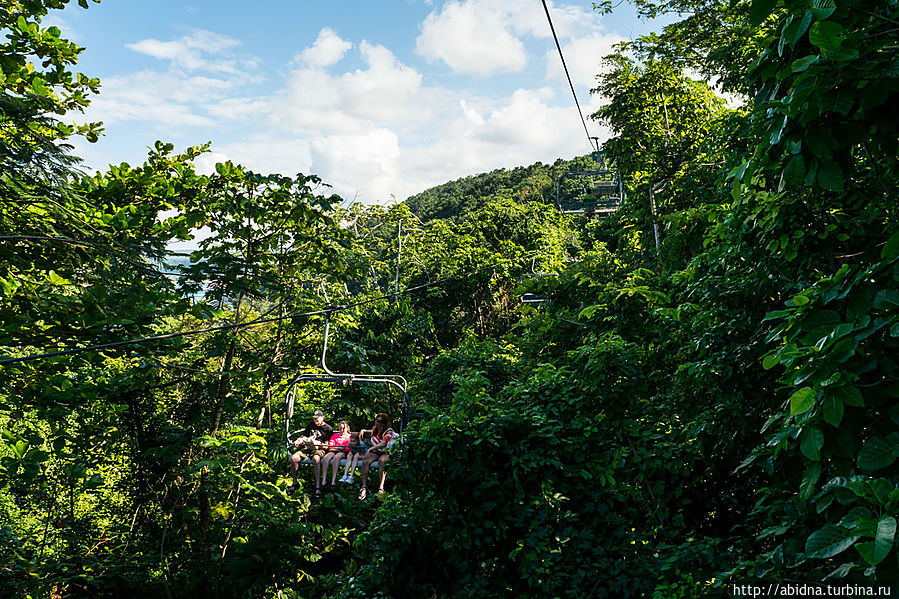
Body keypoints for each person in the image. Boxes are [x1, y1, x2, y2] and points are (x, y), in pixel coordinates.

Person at [288, 409, 333, 498]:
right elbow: (304, 436)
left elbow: (327, 446)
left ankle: (317, 486)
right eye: (314, 418)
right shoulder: (310, 425)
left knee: (316, 459)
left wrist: (318, 443)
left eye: (317, 418)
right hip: (307, 447)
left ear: (322, 418)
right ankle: (295, 482)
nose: (315, 420)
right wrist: (298, 440)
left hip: (319, 449)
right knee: (294, 458)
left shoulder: (328, 428)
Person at [358, 413, 395, 500]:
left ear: (383, 423)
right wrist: (364, 431)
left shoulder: (388, 431)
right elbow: (372, 433)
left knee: (382, 461)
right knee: (365, 460)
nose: (375, 421)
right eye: (376, 419)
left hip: (385, 452)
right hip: (376, 452)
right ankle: (364, 487)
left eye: (378, 421)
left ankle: (381, 487)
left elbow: (383, 443)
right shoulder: (375, 429)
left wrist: (370, 449)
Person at [320, 420, 351, 491]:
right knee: (326, 458)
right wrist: (339, 447)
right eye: (340, 428)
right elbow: (331, 445)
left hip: (343, 452)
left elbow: (347, 447)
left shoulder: (349, 436)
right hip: (334, 451)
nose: (342, 430)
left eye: (344, 428)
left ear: (347, 428)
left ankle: (333, 481)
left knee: (337, 457)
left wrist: (339, 447)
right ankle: (324, 480)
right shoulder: (335, 436)